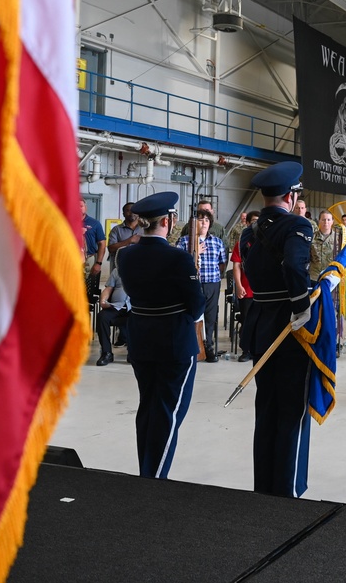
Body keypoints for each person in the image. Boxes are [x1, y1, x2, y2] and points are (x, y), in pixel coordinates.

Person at [116, 192, 206, 479]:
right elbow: (196, 305)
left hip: (142, 340)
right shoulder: (178, 258)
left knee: (148, 409)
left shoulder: (125, 254)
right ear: (167, 221)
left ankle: (147, 469)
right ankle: (154, 480)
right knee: (168, 413)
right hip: (174, 344)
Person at [239, 162, 315, 498]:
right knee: (292, 413)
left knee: (266, 409)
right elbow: (294, 267)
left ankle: (264, 487)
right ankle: (287, 492)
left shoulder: (248, 232)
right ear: (290, 195)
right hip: (288, 329)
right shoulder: (297, 225)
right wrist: (303, 307)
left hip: (260, 325)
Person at [176, 210, 228, 362]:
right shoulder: (185, 241)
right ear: (193, 223)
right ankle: (191, 346)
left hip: (212, 283)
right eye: (200, 219)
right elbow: (178, 263)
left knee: (210, 316)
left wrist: (215, 275)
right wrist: (194, 253)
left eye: (206, 219)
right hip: (192, 283)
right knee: (191, 316)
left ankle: (208, 347)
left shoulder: (217, 242)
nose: (204, 222)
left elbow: (222, 263)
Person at [231, 211, 259, 364]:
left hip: (262, 290)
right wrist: (238, 286)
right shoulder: (241, 242)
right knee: (247, 320)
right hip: (246, 289)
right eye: (253, 221)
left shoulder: (266, 242)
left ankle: (259, 349)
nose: (256, 224)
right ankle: (246, 350)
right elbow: (236, 266)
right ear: (247, 223)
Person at [95, 267, 130, 366]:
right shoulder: (117, 270)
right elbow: (108, 288)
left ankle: (133, 353)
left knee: (137, 318)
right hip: (116, 306)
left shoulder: (143, 270)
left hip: (133, 307)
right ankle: (107, 353)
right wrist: (103, 301)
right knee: (102, 317)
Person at [81, 198, 107, 298]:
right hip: (71, 258)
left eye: (81, 206)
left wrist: (98, 263)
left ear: (86, 208)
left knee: (88, 287)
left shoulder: (95, 223)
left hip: (89, 258)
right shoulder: (67, 221)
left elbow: (102, 243)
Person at [106, 202, 140, 271]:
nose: (131, 213)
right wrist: (129, 241)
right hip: (120, 269)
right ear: (123, 214)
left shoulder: (145, 229)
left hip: (140, 268)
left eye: (134, 210)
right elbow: (111, 248)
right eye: (128, 210)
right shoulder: (116, 230)